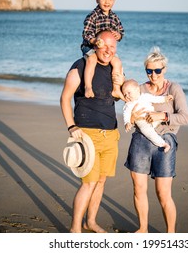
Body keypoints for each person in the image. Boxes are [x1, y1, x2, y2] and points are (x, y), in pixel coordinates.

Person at [60, 30, 123, 233]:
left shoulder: (114, 69)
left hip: (111, 133)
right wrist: (71, 126)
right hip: (87, 134)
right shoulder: (81, 66)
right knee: (89, 183)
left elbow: (120, 94)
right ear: (95, 44)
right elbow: (65, 97)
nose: (108, 50)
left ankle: (91, 221)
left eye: (112, 46)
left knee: (101, 181)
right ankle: (75, 228)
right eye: (104, 45)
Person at [124, 47, 188, 233]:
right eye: (149, 71)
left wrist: (161, 115)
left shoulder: (174, 89)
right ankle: (143, 228)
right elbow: (125, 106)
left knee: (163, 193)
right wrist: (132, 116)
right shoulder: (140, 89)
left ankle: (170, 235)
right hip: (140, 140)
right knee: (139, 189)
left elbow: (185, 117)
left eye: (158, 70)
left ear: (164, 69)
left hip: (165, 142)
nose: (153, 75)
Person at [81, 0, 125, 100]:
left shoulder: (114, 17)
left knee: (117, 63)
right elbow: (86, 34)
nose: (107, 2)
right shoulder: (92, 16)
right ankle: (88, 86)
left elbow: (121, 31)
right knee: (92, 59)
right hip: (91, 46)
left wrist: (118, 35)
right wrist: (94, 40)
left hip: (106, 49)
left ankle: (116, 89)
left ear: (114, 0)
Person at [122, 79, 173, 152]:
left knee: (163, 113)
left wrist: (165, 99)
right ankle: (163, 144)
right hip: (142, 122)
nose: (127, 96)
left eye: (129, 93)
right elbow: (126, 114)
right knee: (149, 132)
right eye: (125, 94)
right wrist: (127, 123)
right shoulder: (128, 105)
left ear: (137, 89)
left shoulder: (145, 96)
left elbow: (155, 99)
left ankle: (166, 127)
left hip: (153, 116)